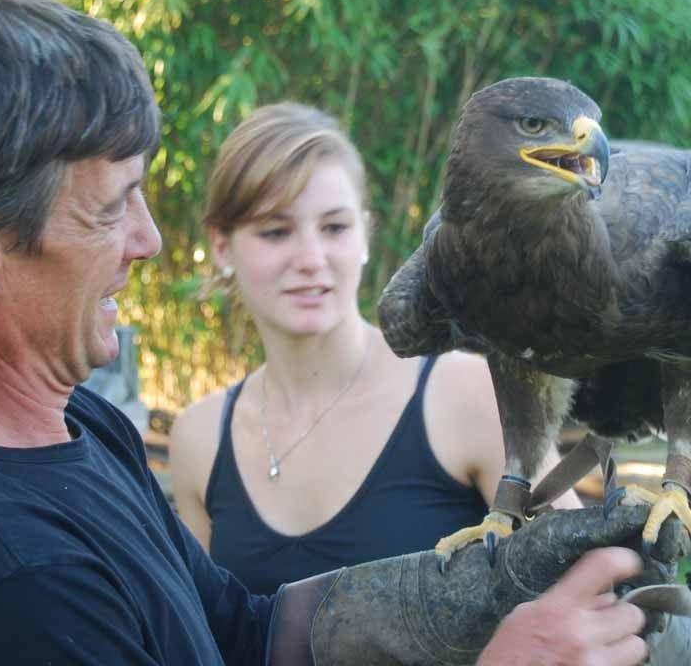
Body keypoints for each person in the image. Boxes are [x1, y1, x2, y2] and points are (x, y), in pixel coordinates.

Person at [0, 0, 691, 665]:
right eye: (111, 209)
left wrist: (484, 587)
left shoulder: (78, 427)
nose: (149, 241)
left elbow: (242, 634)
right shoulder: (9, 585)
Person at [168, 102, 582, 595]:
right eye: (275, 232)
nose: (311, 258)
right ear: (221, 246)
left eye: (334, 227)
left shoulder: (468, 396)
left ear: (365, 233)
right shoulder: (199, 440)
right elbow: (197, 628)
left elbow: (589, 587)